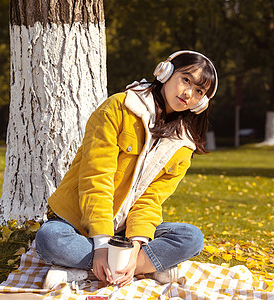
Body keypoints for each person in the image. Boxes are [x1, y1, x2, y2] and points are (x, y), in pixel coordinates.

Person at [35, 50, 218, 290]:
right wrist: (100, 244)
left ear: (201, 103)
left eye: (199, 91)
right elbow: (95, 177)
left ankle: (91, 272)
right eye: (186, 80)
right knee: (49, 239)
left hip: (125, 232)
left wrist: (135, 246)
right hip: (79, 221)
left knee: (191, 238)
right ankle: (144, 269)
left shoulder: (183, 144)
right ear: (166, 71)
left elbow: (150, 200)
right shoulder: (118, 108)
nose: (188, 93)